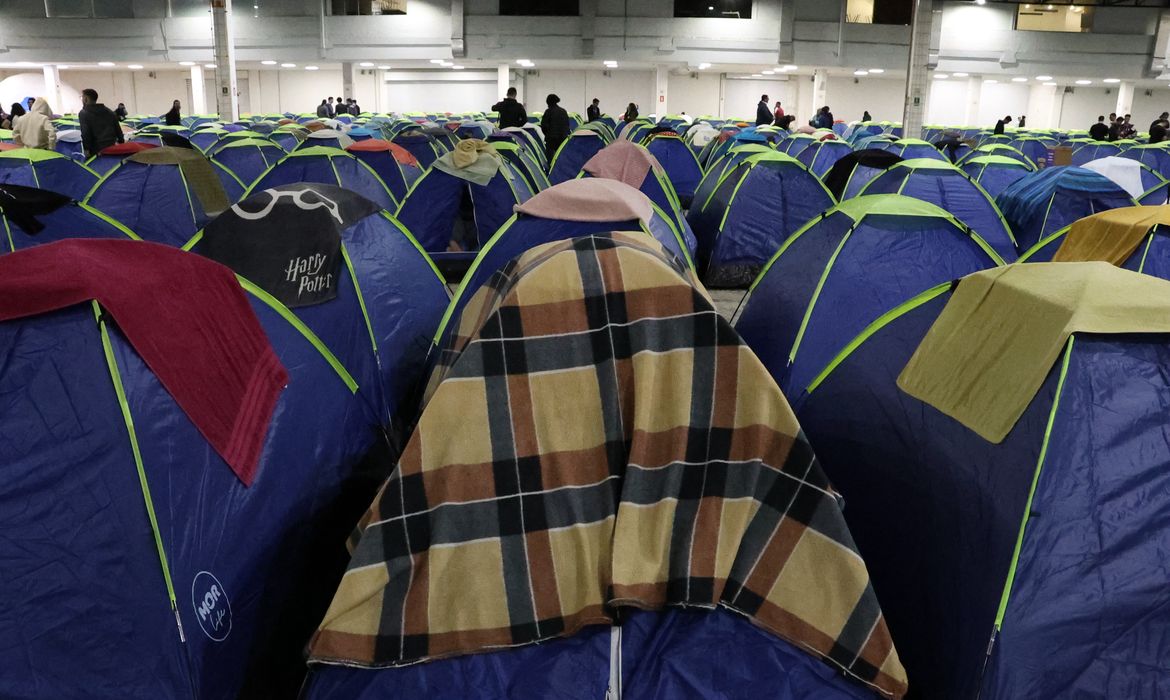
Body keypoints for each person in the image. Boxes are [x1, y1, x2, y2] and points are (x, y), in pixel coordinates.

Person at [78, 88, 123, 157]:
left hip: (96, 150)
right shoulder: (109, 111)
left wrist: (86, 149)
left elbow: (86, 133)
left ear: (86, 99)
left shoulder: (84, 113)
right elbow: (118, 129)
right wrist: (121, 142)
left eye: (82, 97)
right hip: (112, 148)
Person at [540, 93, 570, 161]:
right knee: (560, 159)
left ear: (548, 102)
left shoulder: (548, 111)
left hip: (551, 140)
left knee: (550, 160)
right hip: (563, 139)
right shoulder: (563, 111)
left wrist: (547, 134)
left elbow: (543, 126)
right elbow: (567, 125)